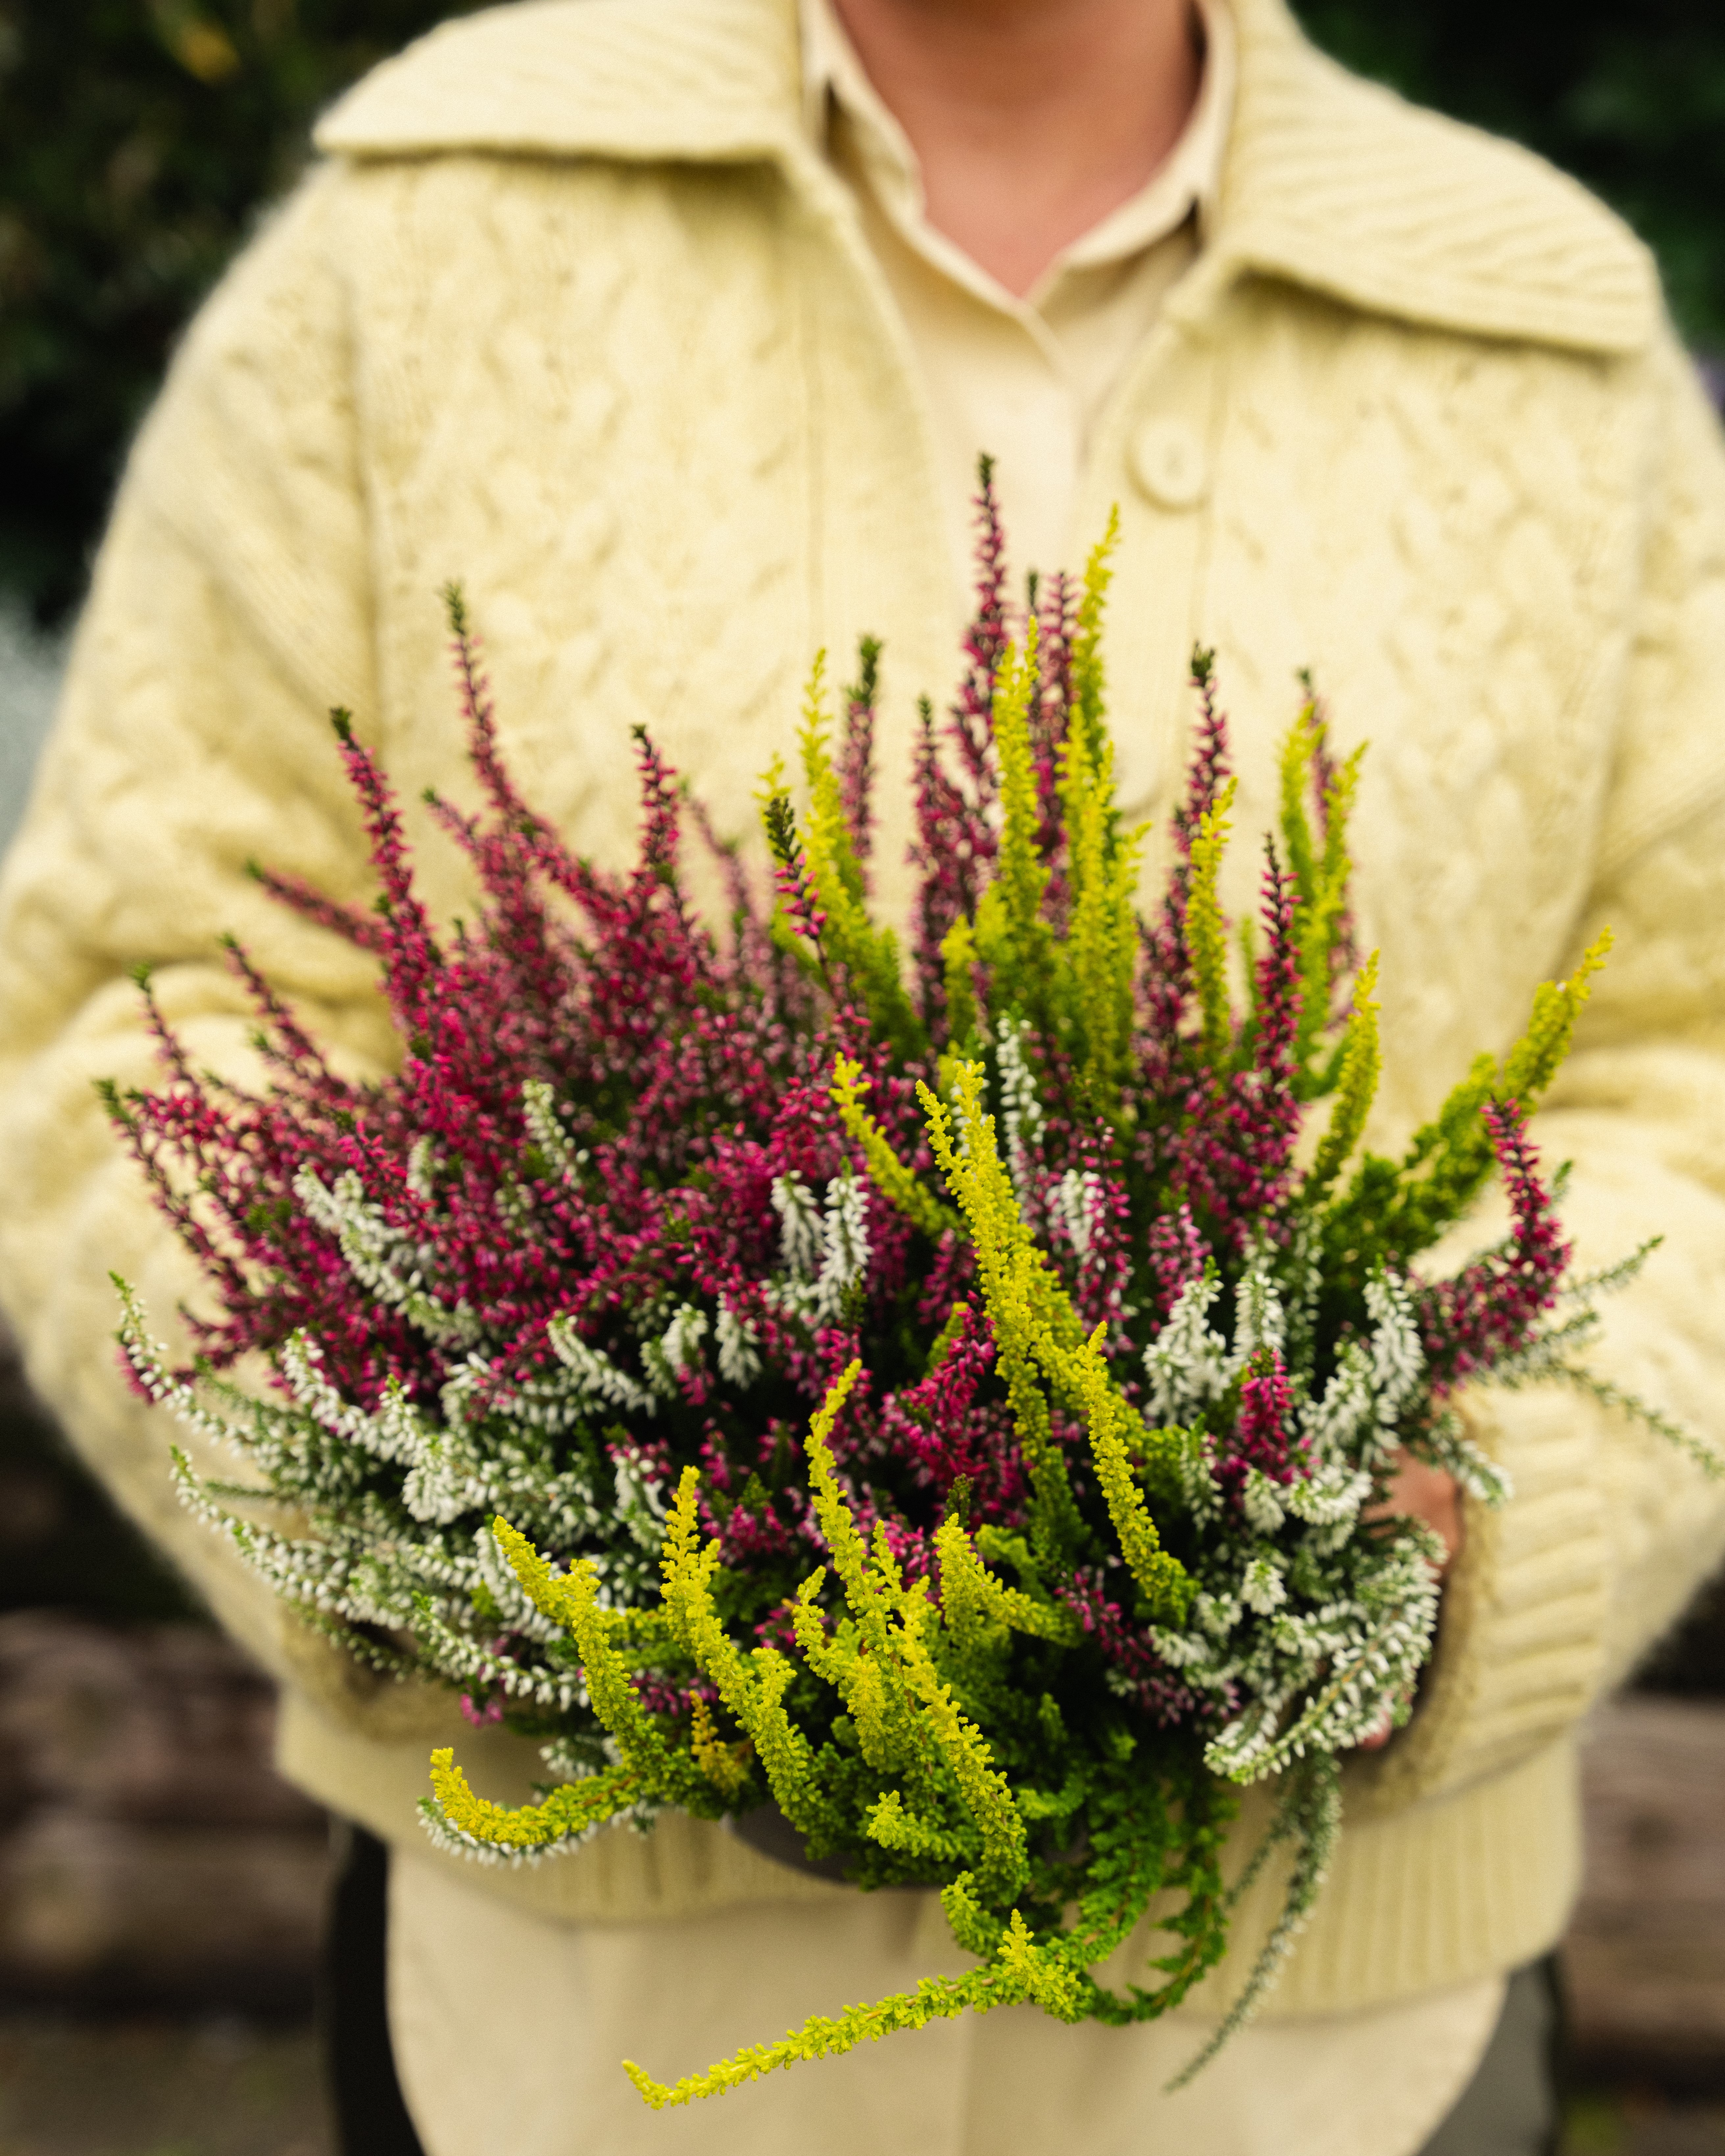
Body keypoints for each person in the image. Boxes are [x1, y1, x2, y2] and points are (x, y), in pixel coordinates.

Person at [1, 0, 1722, 2147]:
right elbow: (130, 1014)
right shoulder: (426, 244)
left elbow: (1693, 1080)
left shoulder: (1540, 331)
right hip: (566, 2042)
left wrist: (1449, 1538)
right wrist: (415, 1530)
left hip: (1338, 2059)